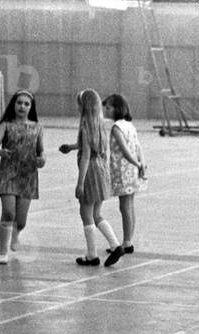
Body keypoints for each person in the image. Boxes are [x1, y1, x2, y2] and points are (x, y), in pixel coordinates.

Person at [60, 89, 124, 267]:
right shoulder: (99, 124)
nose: (77, 108)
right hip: (102, 171)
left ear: (84, 106)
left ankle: (92, 254)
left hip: (91, 173)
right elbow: (91, 147)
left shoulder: (85, 126)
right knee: (96, 213)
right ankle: (115, 245)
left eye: (78, 104)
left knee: (86, 214)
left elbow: (86, 156)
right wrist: (73, 147)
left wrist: (80, 183)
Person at [0, 90, 44, 265]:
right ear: (13, 105)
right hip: (8, 173)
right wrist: (1, 151)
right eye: (19, 103)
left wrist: (41, 159)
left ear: (31, 107)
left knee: (21, 220)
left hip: (27, 176)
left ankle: (16, 231)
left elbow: (41, 152)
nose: (22, 106)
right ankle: (2, 251)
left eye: (26, 104)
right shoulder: (5, 125)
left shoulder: (37, 127)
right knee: (8, 212)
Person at [102, 94, 147, 254]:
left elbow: (125, 149)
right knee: (130, 205)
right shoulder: (129, 125)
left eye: (108, 108)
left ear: (117, 109)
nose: (105, 111)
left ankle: (127, 241)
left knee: (125, 207)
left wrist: (136, 162)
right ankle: (128, 239)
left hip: (123, 171)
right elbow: (137, 146)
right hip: (133, 170)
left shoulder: (116, 128)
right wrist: (142, 162)